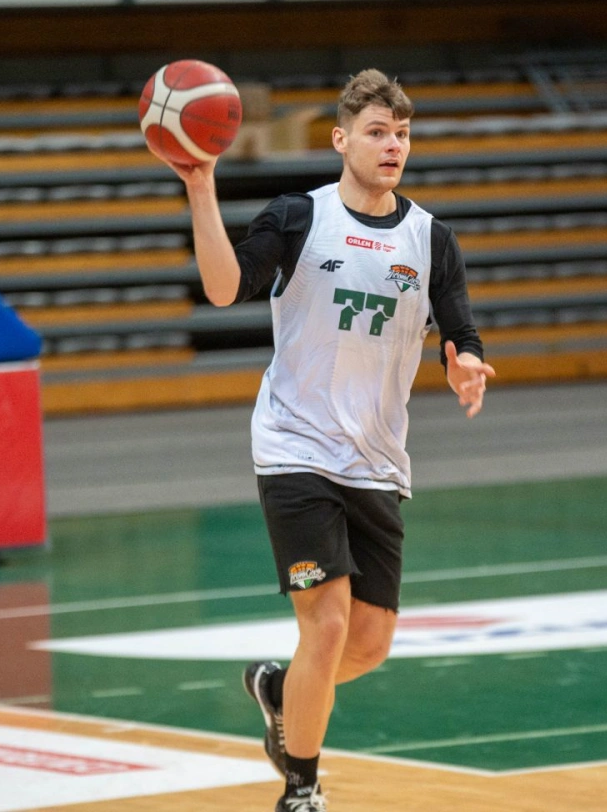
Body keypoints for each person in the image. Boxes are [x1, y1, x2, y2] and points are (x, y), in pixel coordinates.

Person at [165, 68, 494, 812]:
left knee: (367, 644)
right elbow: (223, 287)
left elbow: (460, 328)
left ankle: (280, 690)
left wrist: (465, 364)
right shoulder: (297, 218)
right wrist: (201, 186)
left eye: (402, 133)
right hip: (295, 446)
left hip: (375, 459)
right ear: (341, 139)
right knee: (328, 623)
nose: (393, 145)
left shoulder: (430, 238)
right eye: (378, 132)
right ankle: (303, 789)